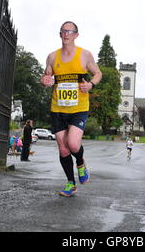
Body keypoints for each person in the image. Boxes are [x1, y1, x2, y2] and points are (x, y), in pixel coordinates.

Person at [40, 21, 102, 197]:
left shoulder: (84, 55)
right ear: (60, 34)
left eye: (69, 31)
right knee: (63, 149)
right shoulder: (52, 57)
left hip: (78, 107)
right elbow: (46, 77)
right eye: (63, 31)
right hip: (57, 108)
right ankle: (70, 183)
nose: (66, 34)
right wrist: (43, 80)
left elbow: (98, 73)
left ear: (76, 35)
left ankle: (81, 164)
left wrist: (90, 84)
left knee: (73, 144)